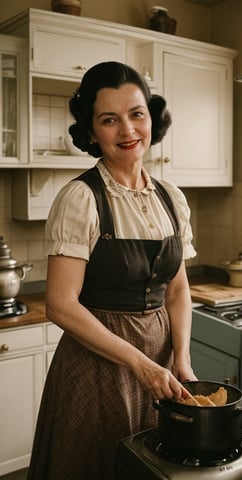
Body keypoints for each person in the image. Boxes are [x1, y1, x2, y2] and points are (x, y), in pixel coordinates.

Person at [27, 61, 197, 480]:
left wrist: (182, 358)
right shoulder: (80, 199)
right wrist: (139, 365)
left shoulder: (171, 198)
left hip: (159, 361)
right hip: (97, 368)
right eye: (109, 119)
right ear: (90, 132)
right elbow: (60, 305)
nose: (127, 130)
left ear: (152, 120)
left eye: (137, 114)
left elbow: (177, 292)